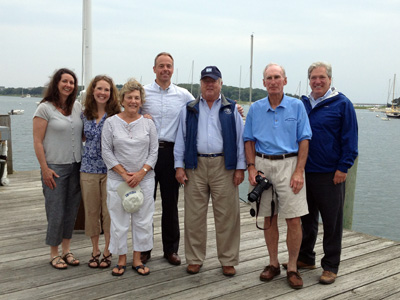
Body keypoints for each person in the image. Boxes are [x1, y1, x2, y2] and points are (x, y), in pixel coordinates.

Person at [243, 63, 312, 289]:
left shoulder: (297, 106)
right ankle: (273, 264)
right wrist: (251, 168)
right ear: (263, 83)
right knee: (269, 217)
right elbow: (249, 140)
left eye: (277, 77)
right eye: (269, 78)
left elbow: (304, 140)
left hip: (289, 164)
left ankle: (292, 267)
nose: (273, 81)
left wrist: (299, 171)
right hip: (263, 164)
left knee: (293, 219)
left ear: (285, 80)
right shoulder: (255, 109)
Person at [174, 66, 246, 276]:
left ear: (220, 83)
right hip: (194, 166)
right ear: (200, 84)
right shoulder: (188, 109)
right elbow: (181, 139)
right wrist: (179, 166)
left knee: (227, 216)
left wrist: (240, 168)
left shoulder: (231, 109)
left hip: (223, 166)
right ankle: (195, 258)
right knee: (194, 216)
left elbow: (241, 141)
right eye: (205, 80)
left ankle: (228, 259)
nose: (209, 84)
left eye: (213, 80)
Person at [295, 62, 358, 284]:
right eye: (313, 77)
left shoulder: (342, 104)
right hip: (304, 172)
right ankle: (305, 257)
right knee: (307, 219)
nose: (317, 81)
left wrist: (343, 167)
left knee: (332, 223)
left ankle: (331, 266)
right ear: (309, 80)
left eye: (322, 77)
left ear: (330, 79)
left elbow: (350, 139)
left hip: (330, 174)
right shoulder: (302, 104)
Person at [141, 52, 195, 265]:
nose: (165, 69)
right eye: (161, 66)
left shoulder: (183, 95)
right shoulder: (143, 93)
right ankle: (144, 248)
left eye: (169, 66)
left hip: (172, 153)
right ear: (154, 69)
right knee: (145, 204)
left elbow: (205, 108)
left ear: (173, 69)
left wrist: (234, 108)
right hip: (146, 153)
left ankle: (170, 249)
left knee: (170, 205)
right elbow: (127, 111)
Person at [102, 79, 158, 276]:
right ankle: (120, 259)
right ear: (122, 99)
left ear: (141, 101)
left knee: (143, 220)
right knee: (119, 220)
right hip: (119, 180)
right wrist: (124, 174)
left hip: (145, 179)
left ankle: (137, 259)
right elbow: (107, 151)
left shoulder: (148, 123)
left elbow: (154, 152)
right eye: (129, 97)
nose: (133, 101)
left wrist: (141, 173)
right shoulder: (110, 123)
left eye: (137, 98)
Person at [33, 68, 83, 269]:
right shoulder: (44, 108)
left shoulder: (77, 107)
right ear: (56, 83)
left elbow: (84, 133)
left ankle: (66, 250)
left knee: (71, 211)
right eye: (65, 81)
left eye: (72, 82)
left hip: (76, 166)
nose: (68, 85)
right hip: (54, 167)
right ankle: (54, 253)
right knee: (55, 211)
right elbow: (37, 141)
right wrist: (44, 168)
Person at [80, 75, 120, 269]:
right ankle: (95, 250)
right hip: (87, 169)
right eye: (99, 89)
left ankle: (108, 250)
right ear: (93, 91)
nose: (103, 93)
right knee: (91, 212)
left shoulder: (117, 115)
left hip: (110, 170)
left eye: (107, 90)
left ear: (111, 93)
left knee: (109, 212)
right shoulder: (84, 114)